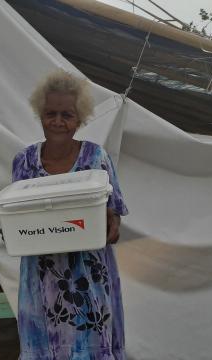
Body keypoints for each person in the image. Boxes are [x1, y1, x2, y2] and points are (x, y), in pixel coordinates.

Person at [12, 69, 128, 360]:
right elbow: (16, 213)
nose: (59, 122)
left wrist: (109, 226)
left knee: (90, 346)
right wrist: (15, 231)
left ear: (80, 118)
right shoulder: (23, 161)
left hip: (87, 276)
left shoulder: (96, 158)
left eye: (67, 114)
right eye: (51, 113)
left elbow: (114, 216)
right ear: (40, 114)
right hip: (41, 276)